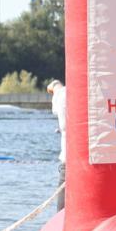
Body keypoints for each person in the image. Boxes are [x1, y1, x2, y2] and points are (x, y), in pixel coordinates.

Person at [47, 80, 67, 211]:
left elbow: (56, 87)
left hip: (69, 165)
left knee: (62, 214)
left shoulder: (64, 94)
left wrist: (54, 85)